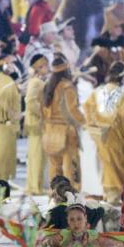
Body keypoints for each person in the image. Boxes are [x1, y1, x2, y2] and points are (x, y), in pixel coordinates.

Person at [83, 61, 124, 205]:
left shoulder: (97, 91)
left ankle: (104, 193)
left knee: (103, 163)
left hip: (97, 134)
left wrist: (94, 124)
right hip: (113, 134)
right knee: (115, 163)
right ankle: (113, 195)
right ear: (122, 76)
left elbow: (87, 108)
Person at [41, 56, 86, 190]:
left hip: (50, 130)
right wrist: (85, 122)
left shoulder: (48, 87)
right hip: (65, 131)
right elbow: (73, 109)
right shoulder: (67, 87)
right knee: (70, 165)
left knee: (54, 165)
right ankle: (70, 192)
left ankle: (55, 192)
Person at [0, 55, 22, 181]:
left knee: (9, 150)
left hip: (11, 121)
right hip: (3, 121)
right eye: (10, 63)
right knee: (1, 150)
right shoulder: (0, 80)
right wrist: (12, 114)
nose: (13, 66)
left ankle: (6, 176)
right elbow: (0, 101)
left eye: (13, 63)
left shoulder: (8, 80)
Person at [86, 10, 124, 87]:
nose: (119, 29)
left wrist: (121, 54)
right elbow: (96, 64)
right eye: (116, 26)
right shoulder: (99, 43)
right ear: (109, 28)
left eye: (120, 26)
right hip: (105, 82)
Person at [24, 54, 50, 196]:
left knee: (39, 155)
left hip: (39, 122)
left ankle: (36, 185)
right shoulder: (35, 82)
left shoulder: (38, 81)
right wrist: (43, 113)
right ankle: (35, 186)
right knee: (36, 155)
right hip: (37, 123)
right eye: (44, 66)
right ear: (38, 68)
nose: (47, 68)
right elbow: (30, 101)